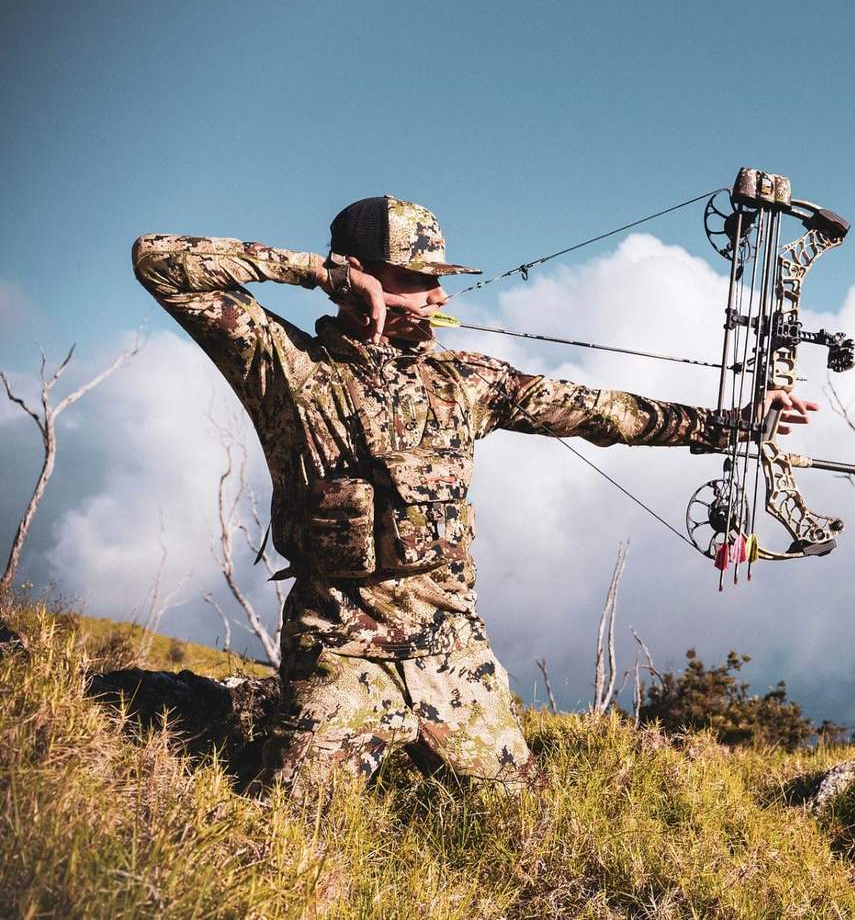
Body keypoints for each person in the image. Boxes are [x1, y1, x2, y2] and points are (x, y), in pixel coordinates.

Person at [132, 194, 814, 796]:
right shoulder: (285, 365)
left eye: (439, 280)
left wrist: (734, 424)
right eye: (418, 278)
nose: (438, 296)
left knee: (521, 819)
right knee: (289, 823)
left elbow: (601, 411)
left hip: (454, 654)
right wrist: (319, 270)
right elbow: (158, 261)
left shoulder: (467, 380)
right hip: (340, 650)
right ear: (360, 275)